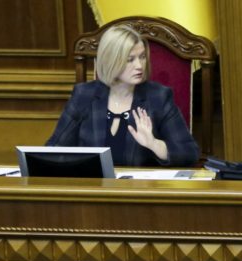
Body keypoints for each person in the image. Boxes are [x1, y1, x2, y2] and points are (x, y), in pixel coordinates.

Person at [47, 25, 199, 167]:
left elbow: (189, 153)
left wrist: (154, 144)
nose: (139, 66)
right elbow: (54, 150)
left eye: (142, 57)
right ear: (111, 61)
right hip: (92, 189)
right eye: (130, 60)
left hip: (137, 192)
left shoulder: (158, 97)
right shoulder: (85, 95)